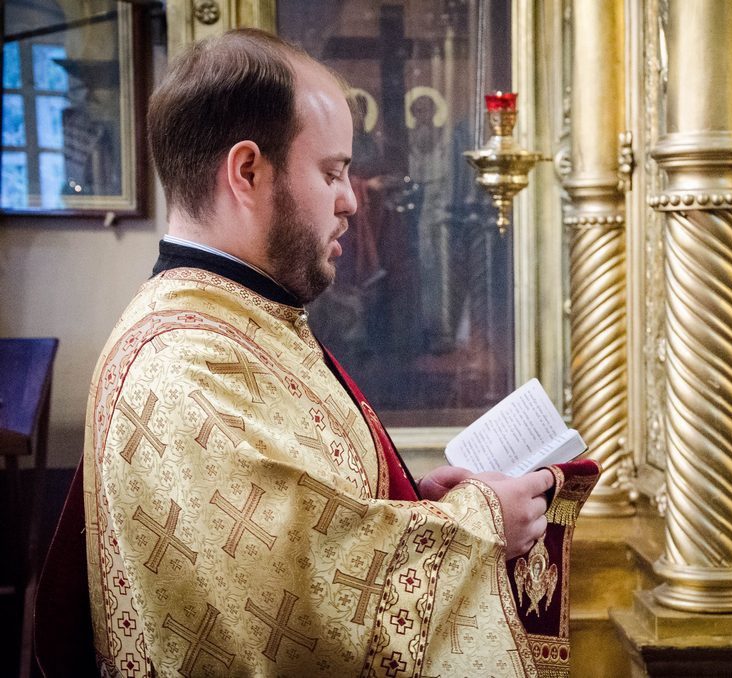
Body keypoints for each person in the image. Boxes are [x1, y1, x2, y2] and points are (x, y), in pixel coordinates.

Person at [83, 29, 557, 676]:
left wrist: (411, 500)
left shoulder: (240, 317)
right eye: (332, 172)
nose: (352, 200)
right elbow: (299, 603)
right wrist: (478, 525)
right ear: (247, 171)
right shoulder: (181, 368)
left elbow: (296, 519)